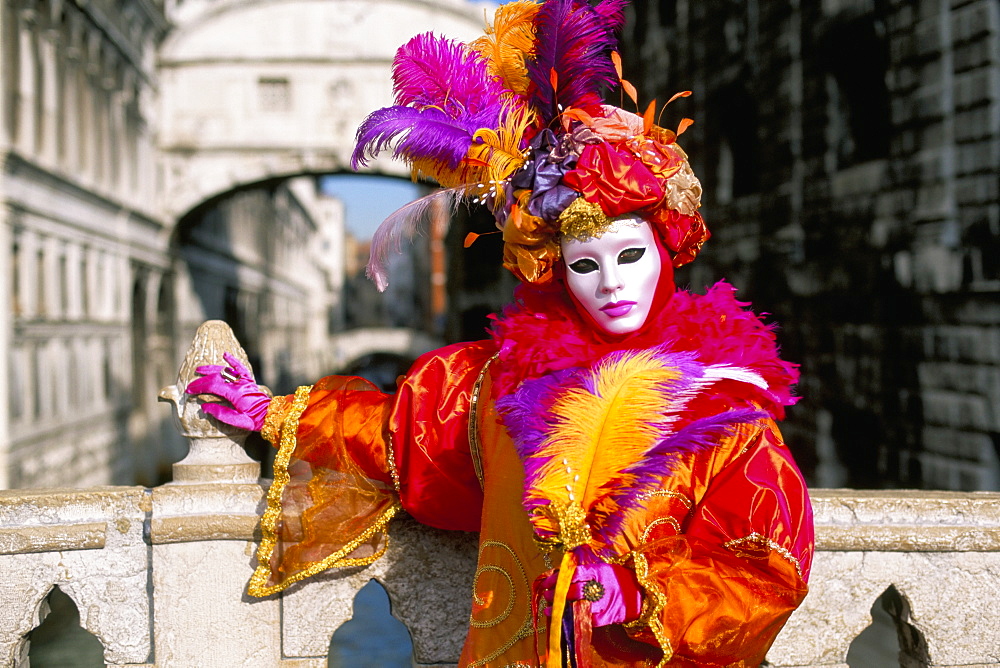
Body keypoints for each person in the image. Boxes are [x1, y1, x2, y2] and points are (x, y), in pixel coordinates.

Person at [186, 1, 814, 665]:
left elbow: (766, 563)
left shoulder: (725, 405)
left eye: (631, 255)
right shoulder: (503, 383)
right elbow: (402, 438)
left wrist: (641, 594)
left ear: (666, 250)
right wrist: (274, 413)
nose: (611, 283)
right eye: (584, 263)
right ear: (555, 270)